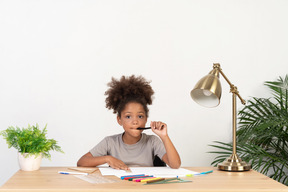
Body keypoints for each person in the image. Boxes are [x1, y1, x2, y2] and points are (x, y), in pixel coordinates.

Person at [77, 75, 181, 170]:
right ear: (119, 120)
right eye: (128, 116)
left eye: (140, 116)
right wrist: (107, 159)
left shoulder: (152, 141)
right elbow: (81, 162)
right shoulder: (110, 142)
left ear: (146, 120)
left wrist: (164, 136)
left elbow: (175, 165)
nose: (135, 121)